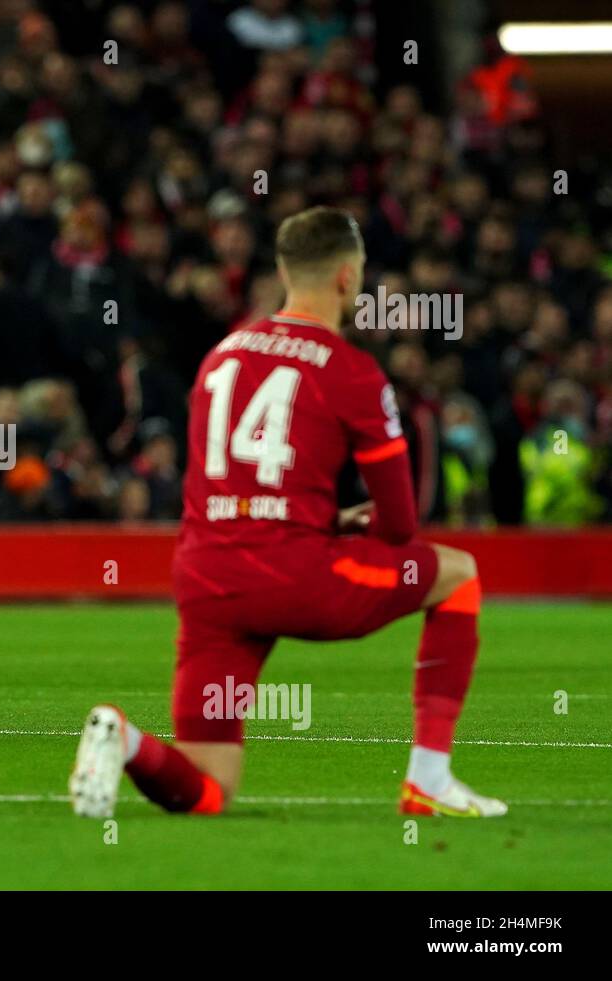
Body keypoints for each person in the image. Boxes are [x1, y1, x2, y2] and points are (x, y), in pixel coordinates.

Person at [71, 207, 506, 818]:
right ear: (348, 278)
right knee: (457, 573)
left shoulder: (220, 356)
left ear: (282, 269)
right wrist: (342, 525)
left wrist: (312, 518)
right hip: (293, 575)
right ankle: (429, 781)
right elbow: (402, 524)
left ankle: (125, 737)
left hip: (207, 582)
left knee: (207, 788)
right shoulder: (352, 371)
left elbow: (218, 486)